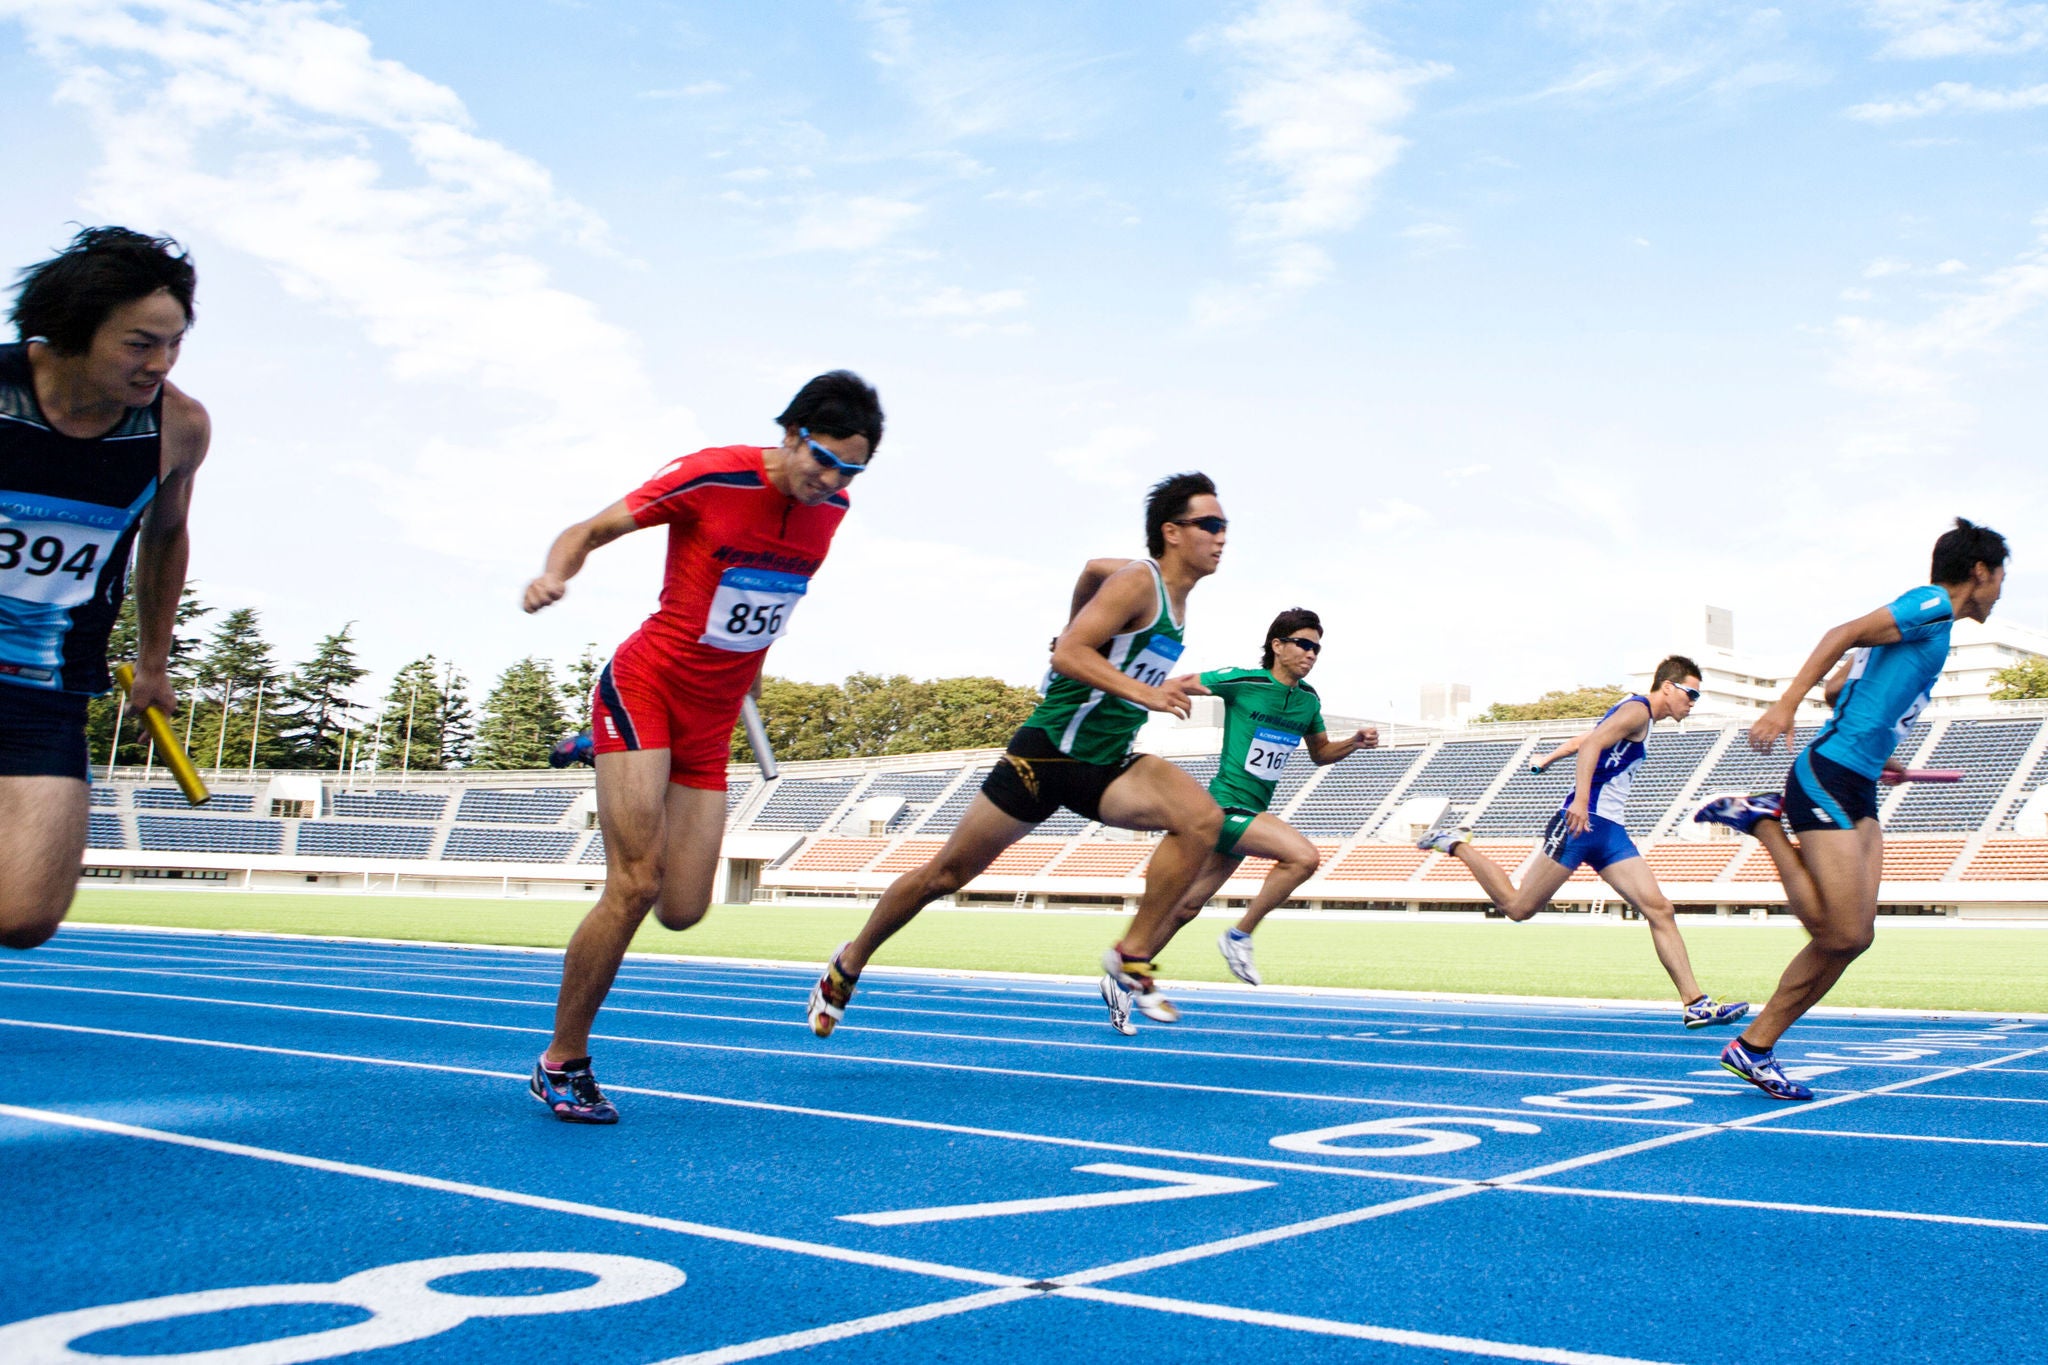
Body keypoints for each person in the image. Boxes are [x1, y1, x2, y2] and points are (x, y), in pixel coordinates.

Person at [523, 371, 882, 1122]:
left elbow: (762, 608)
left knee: (683, 908)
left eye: (851, 470)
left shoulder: (833, 509)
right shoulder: (712, 473)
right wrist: (555, 574)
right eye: (823, 459)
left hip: (711, 719)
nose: (832, 480)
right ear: (792, 433)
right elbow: (587, 530)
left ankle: (603, 747)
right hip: (647, 685)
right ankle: (563, 1061)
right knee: (635, 883)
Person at [808, 472, 1228, 1038]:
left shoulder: (1169, 597)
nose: (1223, 537)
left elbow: (1088, 570)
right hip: (1047, 756)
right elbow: (1070, 657)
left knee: (1201, 820)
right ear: (1173, 532)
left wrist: (1074, 621)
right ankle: (850, 961)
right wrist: (1142, 687)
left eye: (1225, 526)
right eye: (1212, 525)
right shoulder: (1138, 582)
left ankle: (1132, 952)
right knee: (946, 873)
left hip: (1103, 763)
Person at [1695, 518, 2008, 1101]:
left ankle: (1753, 1048)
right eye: (2000, 579)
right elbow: (1840, 634)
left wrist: (1881, 748)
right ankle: (1763, 823)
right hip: (1829, 774)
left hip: (1858, 779)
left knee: (1853, 936)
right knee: (1839, 932)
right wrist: (1782, 706)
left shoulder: (1923, 629)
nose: (2000, 591)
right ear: (1979, 571)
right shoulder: (1930, 606)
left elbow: (1838, 690)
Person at [0, 227, 209, 951]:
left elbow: (166, 535)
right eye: (138, 343)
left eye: (174, 343)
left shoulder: (176, 427)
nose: (160, 363)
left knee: (26, 913)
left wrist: (154, 662)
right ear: (65, 335)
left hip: (46, 685)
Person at [1416, 657, 1750, 1028]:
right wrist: (1578, 801)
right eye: (1690, 694)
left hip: (1609, 832)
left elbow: (1588, 739)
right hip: (1580, 823)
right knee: (1517, 907)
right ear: (1667, 687)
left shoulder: (1640, 718)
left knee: (1660, 909)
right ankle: (1457, 844)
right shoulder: (1638, 711)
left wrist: (1548, 758)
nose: (1692, 703)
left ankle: (1695, 1003)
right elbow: (1592, 748)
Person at [1150, 607, 1378, 991]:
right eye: (1304, 644)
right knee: (1303, 857)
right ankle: (1239, 936)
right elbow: (1178, 682)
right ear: (1277, 645)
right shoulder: (1243, 681)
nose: (1311, 654)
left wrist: (1354, 743)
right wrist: (1162, 693)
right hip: (1223, 808)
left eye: (1317, 649)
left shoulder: (1308, 700)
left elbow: (1320, 754)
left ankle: (1125, 972)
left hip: (1252, 810)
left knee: (1186, 907)